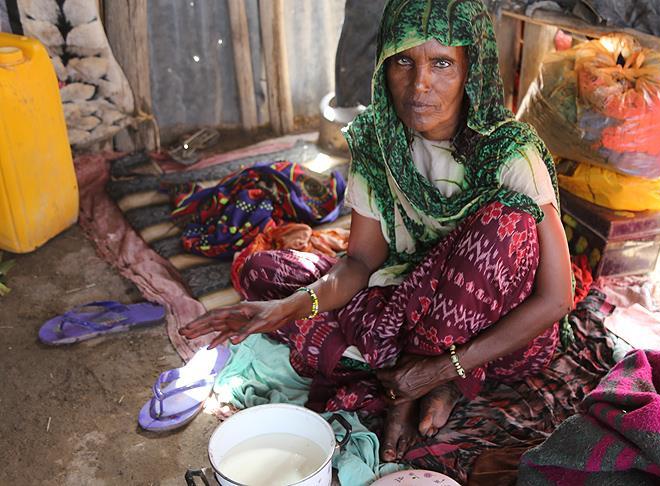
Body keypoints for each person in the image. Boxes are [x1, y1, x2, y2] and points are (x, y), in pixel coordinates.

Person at [181, 0, 573, 462]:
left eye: (442, 63)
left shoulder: (510, 153)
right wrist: (285, 308)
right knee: (264, 271)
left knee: (503, 226)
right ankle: (417, 377)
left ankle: (418, 386)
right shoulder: (378, 140)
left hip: (500, 338)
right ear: (384, 64)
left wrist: (439, 367)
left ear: (472, 69)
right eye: (403, 60)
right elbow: (362, 263)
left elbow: (556, 298)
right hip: (413, 300)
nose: (419, 84)